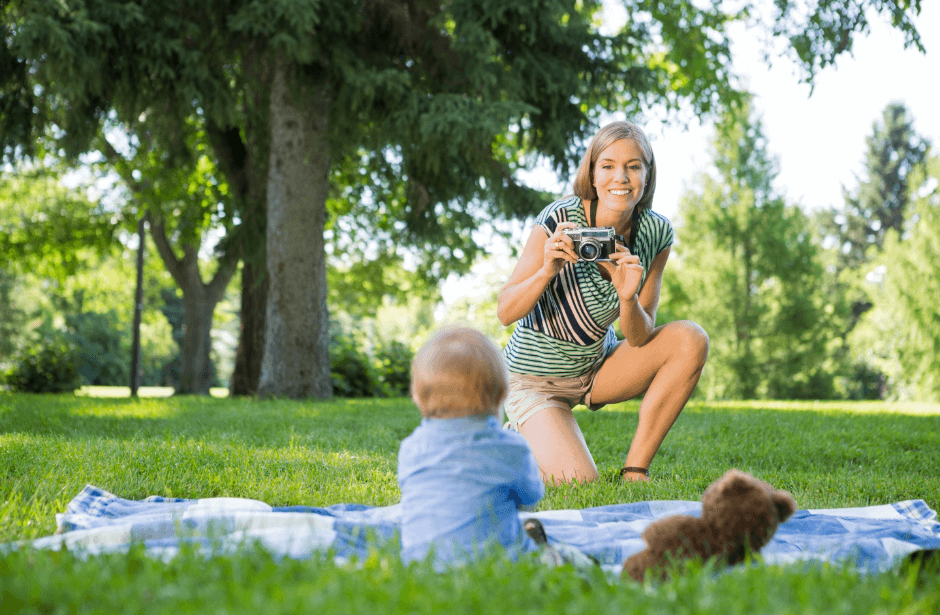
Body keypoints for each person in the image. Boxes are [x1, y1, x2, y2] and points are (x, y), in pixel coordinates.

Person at [497, 120, 709, 485]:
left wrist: (628, 298)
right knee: (579, 481)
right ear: (592, 174)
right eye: (608, 165)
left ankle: (635, 471)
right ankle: (510, 443)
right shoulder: (560, 218)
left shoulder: (656, 233)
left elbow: (640, 337)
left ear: (646, 175)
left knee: (691, 339)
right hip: (534, 379)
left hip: (596, 366)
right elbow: (505, 312)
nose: (620, 178)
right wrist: (547, 270)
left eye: (633, 166)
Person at [397, 326, 544, 568]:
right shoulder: (511, 448)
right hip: (497, 565)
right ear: (502, 394)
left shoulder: (411, 447)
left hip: (422, 564)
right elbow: (530, 498)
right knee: (558, 557)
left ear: (418, 396)